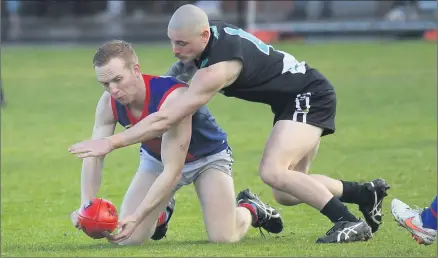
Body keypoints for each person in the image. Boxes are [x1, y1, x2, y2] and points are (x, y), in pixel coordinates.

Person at [68, 5, 390, 243]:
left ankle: (347, 222)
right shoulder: (204, 38)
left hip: (307, 95)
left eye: (181, 44)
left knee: (272, 173)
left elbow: (168, 116)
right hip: (285, 101)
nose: (175, 51)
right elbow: (172, 82)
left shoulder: (217, 69)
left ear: (204, 36)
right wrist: (86, 206)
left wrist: (111, 143)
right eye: (172, 42)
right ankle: (363, 193)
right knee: (287, 191)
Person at [70, 40, 283, 245]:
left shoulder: (173, 96)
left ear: (136, 70)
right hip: (156, 160)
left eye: (118, 79)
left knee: (224, 237)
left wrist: (139, 215)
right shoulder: (109, 102)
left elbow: (173, 171)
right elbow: (95, 154)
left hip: (207, 159)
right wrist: (85, 206)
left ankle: (251, 208)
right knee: (129, 239)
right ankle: (160, 214)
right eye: (105, 84)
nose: (113, 90)